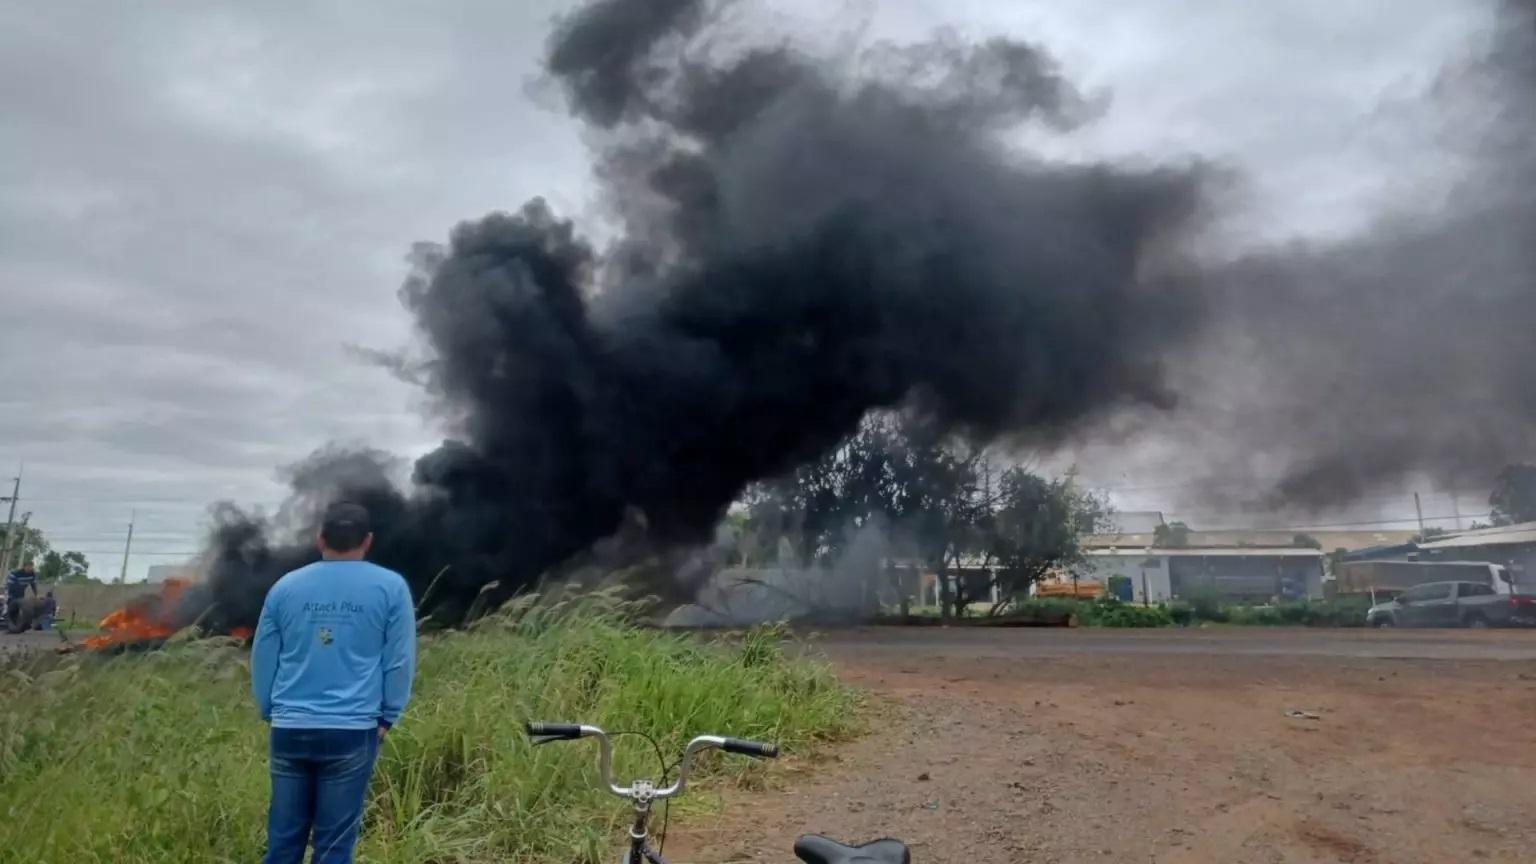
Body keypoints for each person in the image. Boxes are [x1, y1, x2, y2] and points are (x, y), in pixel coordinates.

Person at [251, 502, 416, 864]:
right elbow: (399, 660)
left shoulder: (284, 587)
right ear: (368, 541)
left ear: (320, 537)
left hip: (290, 728)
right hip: (353, 731)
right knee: (334, 847)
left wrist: (270, 709)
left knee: (283, 842)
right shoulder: (391, 587)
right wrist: (389, 716)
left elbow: (264, 656)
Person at [5, 560, 37, 630]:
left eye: (31, 567)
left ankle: (19, 625)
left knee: (20, 609)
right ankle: (10, 625)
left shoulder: (32, 574)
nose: (30, 568)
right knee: (12, 609)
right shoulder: (16, 573)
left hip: (21, 594)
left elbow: (33, 584)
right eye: (28, 567)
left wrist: (36, 594)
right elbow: (10, 585)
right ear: (24, 567)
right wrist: (8, 595)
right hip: (11, 592)